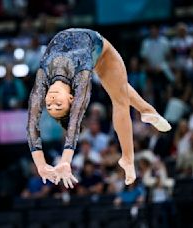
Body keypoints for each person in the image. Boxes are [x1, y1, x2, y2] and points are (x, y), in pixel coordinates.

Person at [27, 28, 171, 188]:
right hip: (92, 50)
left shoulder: (41, 84)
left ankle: (132, 147)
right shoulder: (80, 81)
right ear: (70, 99)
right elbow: (71, 125)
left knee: (119, 93)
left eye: (50, 104)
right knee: (119, 97)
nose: (52, 101)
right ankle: (130, 154)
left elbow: (32, 125)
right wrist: (44, 164)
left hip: (98, 47)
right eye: (58, 105)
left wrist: (60, 161)